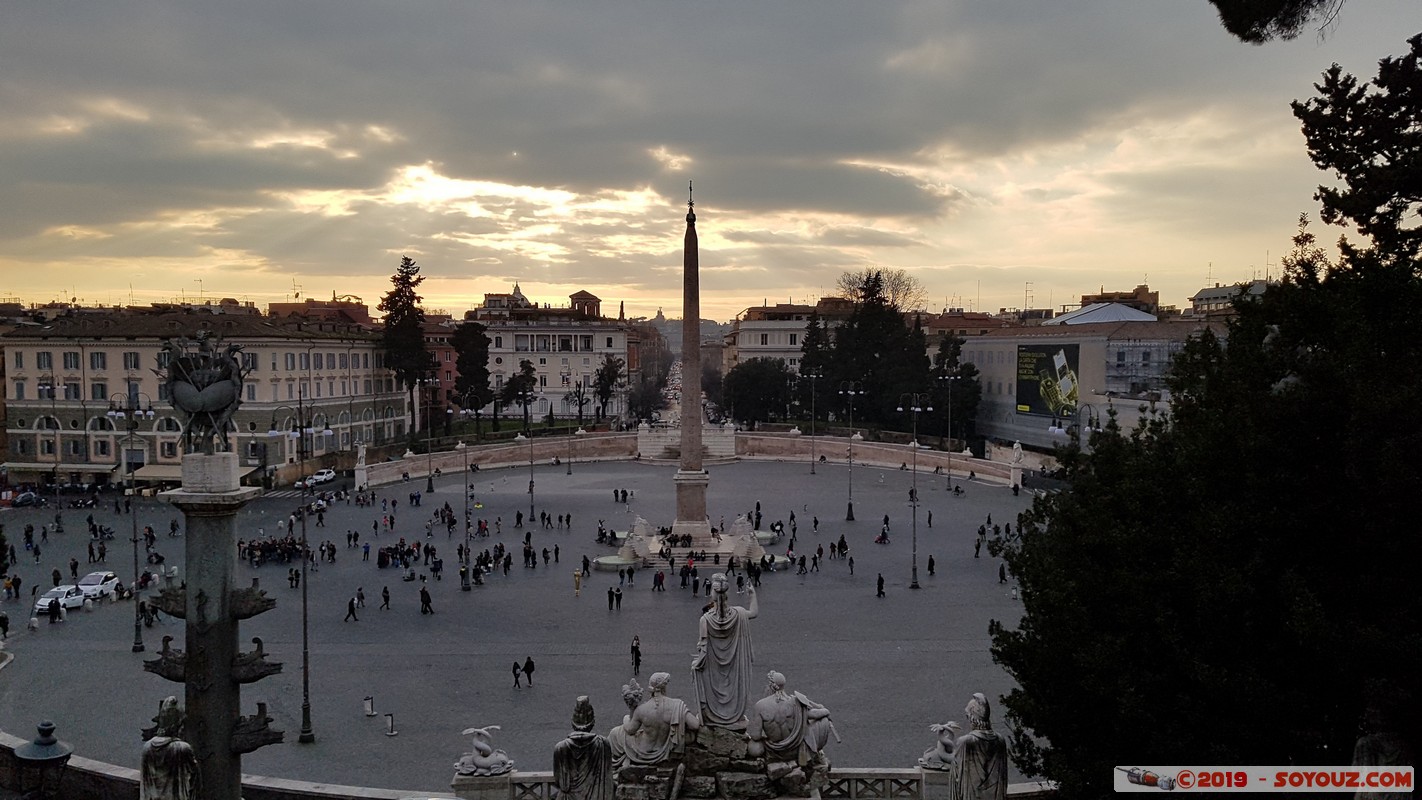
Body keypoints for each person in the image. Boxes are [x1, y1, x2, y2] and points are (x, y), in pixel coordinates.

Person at [692, 574, 758, 726]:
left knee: (714, 690)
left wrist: (695, 665)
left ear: (712, 595)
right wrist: (752, 595)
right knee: (731, 688)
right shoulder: (739, 614)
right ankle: (734, 715)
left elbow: (702, 651)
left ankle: (715, 715)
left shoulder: (705, 620)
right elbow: (754, 613)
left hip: (712, 667)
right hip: (734, 665)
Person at [746, 670, 836, 764]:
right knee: (824, 721)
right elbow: (814, 714)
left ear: (770, 685)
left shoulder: (760, 705)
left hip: (774, 750)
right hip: (793, 750)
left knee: (754, 746)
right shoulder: (795, 703)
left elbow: (755, 736)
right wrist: (825, 710)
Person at [619, 672, 701, 766]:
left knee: (617, 732)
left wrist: (626, 718)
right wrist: (698, 716)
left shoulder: (641, 709)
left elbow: (630, 730)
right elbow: (695, 725)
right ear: (664, 687)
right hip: (666, 751)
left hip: (643, 751)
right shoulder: (677, 705)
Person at [553, 696, 613, 800]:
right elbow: (607, 779)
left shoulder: (561, 748)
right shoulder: (603, 744)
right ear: (593, 722)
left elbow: (559, 780)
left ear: (572, 723)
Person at [950, 693, 1008, 800]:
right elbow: (1003, 779)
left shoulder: (965, 742)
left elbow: (957, 780)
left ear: (972, 718)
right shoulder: (1000, 741)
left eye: (967, 715)